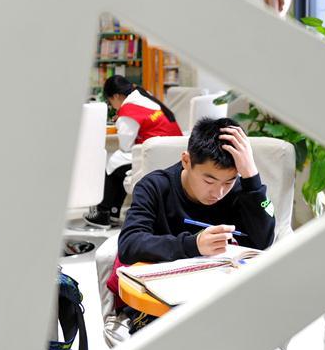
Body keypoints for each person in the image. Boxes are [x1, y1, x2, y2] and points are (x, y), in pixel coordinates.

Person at [108, 116, 276, 331]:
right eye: (208, 180)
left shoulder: (239, 192)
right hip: (162, 300)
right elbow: (129, 245)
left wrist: (251, 177)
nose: (218, 192)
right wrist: (193, 245)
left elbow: (263, 242)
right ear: (186, 161)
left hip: (218, 297)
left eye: (228, 181)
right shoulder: (155, 187)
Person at [83, 75, 183, 228]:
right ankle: (113, 213)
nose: (112, 106)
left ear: (116, 96)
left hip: (156, 156)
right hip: (173, 154)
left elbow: (125, 145)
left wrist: (120, 123)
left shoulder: (129, 110)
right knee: (118, 162)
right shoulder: (144, 96)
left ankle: (104, 213)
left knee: (113, 161)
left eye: (110, 101)